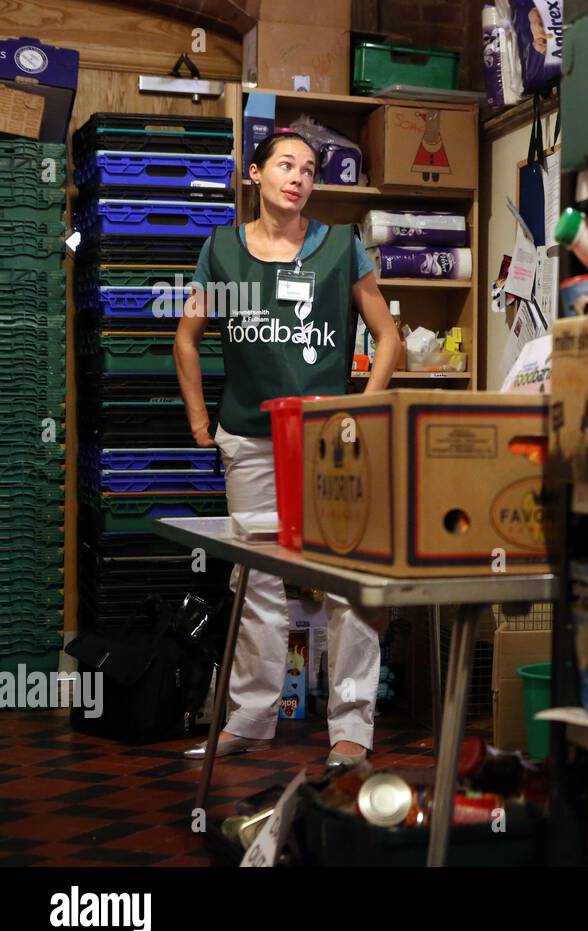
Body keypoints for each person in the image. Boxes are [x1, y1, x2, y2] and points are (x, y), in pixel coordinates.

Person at [173, 132, 402, 766]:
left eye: (308, 169)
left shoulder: (341, 249)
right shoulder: (221, 251)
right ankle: (250, 718)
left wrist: (361, 407)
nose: (298, 177)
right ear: (255, 174)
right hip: (247, 438)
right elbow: (186, 338)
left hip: (329, 443)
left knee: (347, 581)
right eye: (285, 165)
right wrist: (200, 420)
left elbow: (388, 336)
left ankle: (351, 728)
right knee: (256, 582)